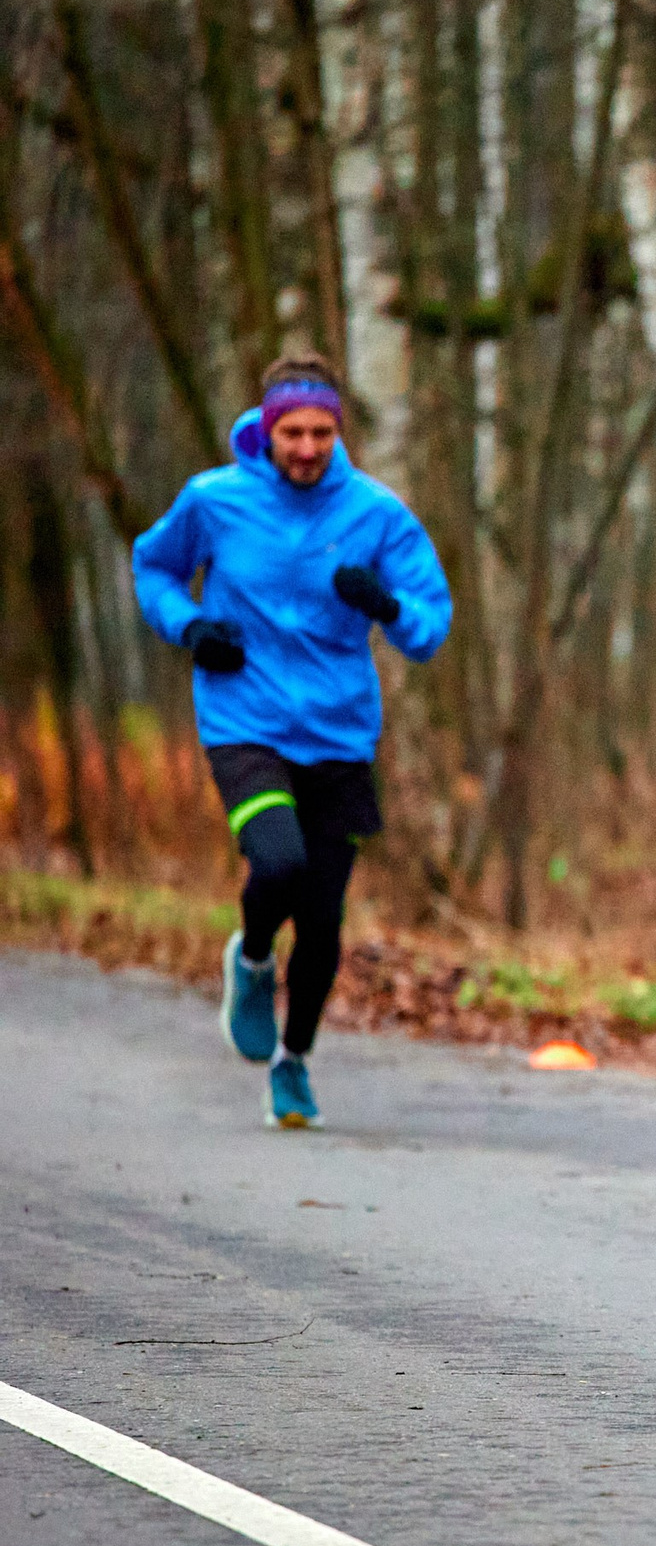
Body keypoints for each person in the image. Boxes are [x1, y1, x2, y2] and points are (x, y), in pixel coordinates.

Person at [132, 353, 452, 1129]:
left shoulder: (376, 513)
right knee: (277, 859)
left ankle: (294, 1060)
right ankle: (249, 958)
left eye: (322, 431)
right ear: (268, 430)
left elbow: (430, 623)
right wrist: (191, 625)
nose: (307, 447)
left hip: (339, 733)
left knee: (324, 916)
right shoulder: (216, 499)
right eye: (293, 433)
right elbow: (154, 567)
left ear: (338, 430)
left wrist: (387, 605)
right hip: (244, 719)